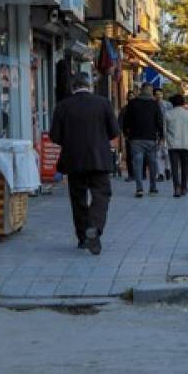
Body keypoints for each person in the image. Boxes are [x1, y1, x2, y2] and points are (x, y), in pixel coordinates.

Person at [49, 72, 119, 254]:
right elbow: (114, 131)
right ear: (89, 86)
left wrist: (70, 140)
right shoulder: (103, 103)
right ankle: (94, 228)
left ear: (72, 87)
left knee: (78, 198)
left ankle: (82, 238)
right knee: (101, 195)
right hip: (99, 159)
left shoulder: (62, 106)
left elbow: (54, 136)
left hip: (73, 160)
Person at [121, 83, 164, 197]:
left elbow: (126, 120)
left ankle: (139, 189)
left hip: (135, 139)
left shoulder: (132, 103)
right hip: (150, 138)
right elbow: (159, 121)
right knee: (152, 163)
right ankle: (153, 188)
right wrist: (161, 136)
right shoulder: (155, 104)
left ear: (141, 90)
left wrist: (126, 133)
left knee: (138, 164)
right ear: (150, 91)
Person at [164, 94, 188, 197]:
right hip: (186, 144)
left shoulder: (167, 114)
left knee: (174, 167)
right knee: (185, 167)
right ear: (183, 103)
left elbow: (164, 131)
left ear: (172, 103)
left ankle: (176, 188)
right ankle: (184, 187)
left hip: (173, 145)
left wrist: (167, 141)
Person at [153, 88, 172, 181]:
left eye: (160, 94)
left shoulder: (168, 105)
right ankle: (160, 173)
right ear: (154, 96)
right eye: (157, 94)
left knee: (167, 153)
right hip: (156, 132)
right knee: (157, 154)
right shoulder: (152, 105)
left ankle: (168, 169)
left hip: (168, 131)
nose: (159, 96)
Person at [118, 90, 136, 180]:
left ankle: (139, 174)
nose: (131, 97)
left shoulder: (138, 108)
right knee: (129, 155)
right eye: (129, 96)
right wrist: (121, 131)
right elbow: (120, 122)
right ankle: (131, 174)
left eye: (132, 96)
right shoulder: (124, 109)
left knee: (137, 155)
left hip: (138, 135)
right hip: (128, 135)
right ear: (127, 98)